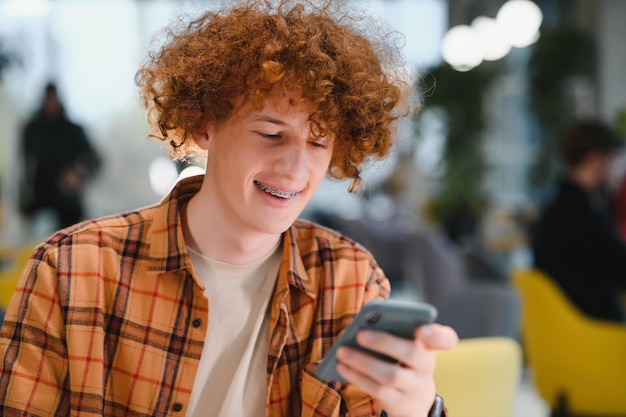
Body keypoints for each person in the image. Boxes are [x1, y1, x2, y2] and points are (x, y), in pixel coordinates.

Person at [0, 1, 458, 416]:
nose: (296, 168)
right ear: (204, 125)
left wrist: (419, 407)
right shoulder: (72, 270)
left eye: (318, 142)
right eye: (271, 134)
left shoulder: (350, 283)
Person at [531, 119, 626, 323]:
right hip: (594, 332)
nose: (614, 170)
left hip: (558, 330)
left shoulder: (554, 209)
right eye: (611, 160)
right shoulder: (584, 215)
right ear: (594, 160)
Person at [19, 82, 101, 230]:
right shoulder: (32, 130)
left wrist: (78, 173)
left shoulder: (73, 130)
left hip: (68, 207)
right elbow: (23, 166)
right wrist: (23, 199)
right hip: (39, 203)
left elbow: (95, 161)